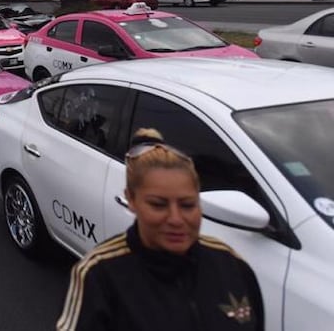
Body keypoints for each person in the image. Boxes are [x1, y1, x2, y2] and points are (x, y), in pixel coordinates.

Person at [56, 128, 264, 331]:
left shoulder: (231, 265)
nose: (175, 219)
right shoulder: (98, 276)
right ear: (131, 200)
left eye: (187, 205)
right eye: (158, 205)